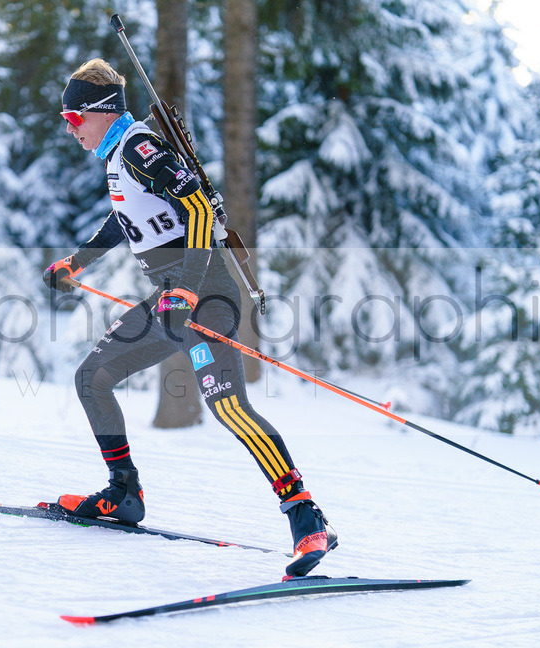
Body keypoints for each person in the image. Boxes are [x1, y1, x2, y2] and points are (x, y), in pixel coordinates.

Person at [42, 58, 337, 577]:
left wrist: (185, 288)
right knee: (93, 376)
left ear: (102, 112)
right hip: (171, 299)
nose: (71, 129)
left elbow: (199, 208)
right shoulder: (119, 157)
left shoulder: (137, 145)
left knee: (228, 408)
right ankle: (123, 494)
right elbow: (125, 216)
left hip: (208, 294)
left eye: (74, 118)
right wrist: (78, 260)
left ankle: (306, 518)